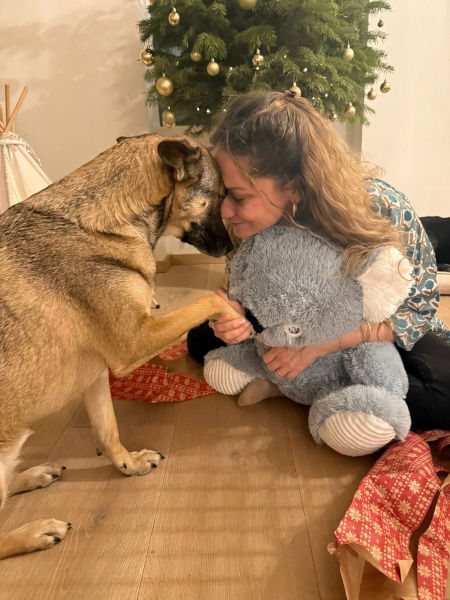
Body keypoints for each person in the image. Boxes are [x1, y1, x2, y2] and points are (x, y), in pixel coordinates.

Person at [187, 90, 450, 432]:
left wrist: (324, 345)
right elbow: (245, 295)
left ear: (294, 186)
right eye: (223, 194)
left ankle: (297, 387)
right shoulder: (245, 226)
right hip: (287, 333)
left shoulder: (381, 207)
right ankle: (304, 387)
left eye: (238, 196)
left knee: (442, 399)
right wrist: (235, 319)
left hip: (362, 336)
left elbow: (417, 308)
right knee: (200, 341)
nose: (224, 211)